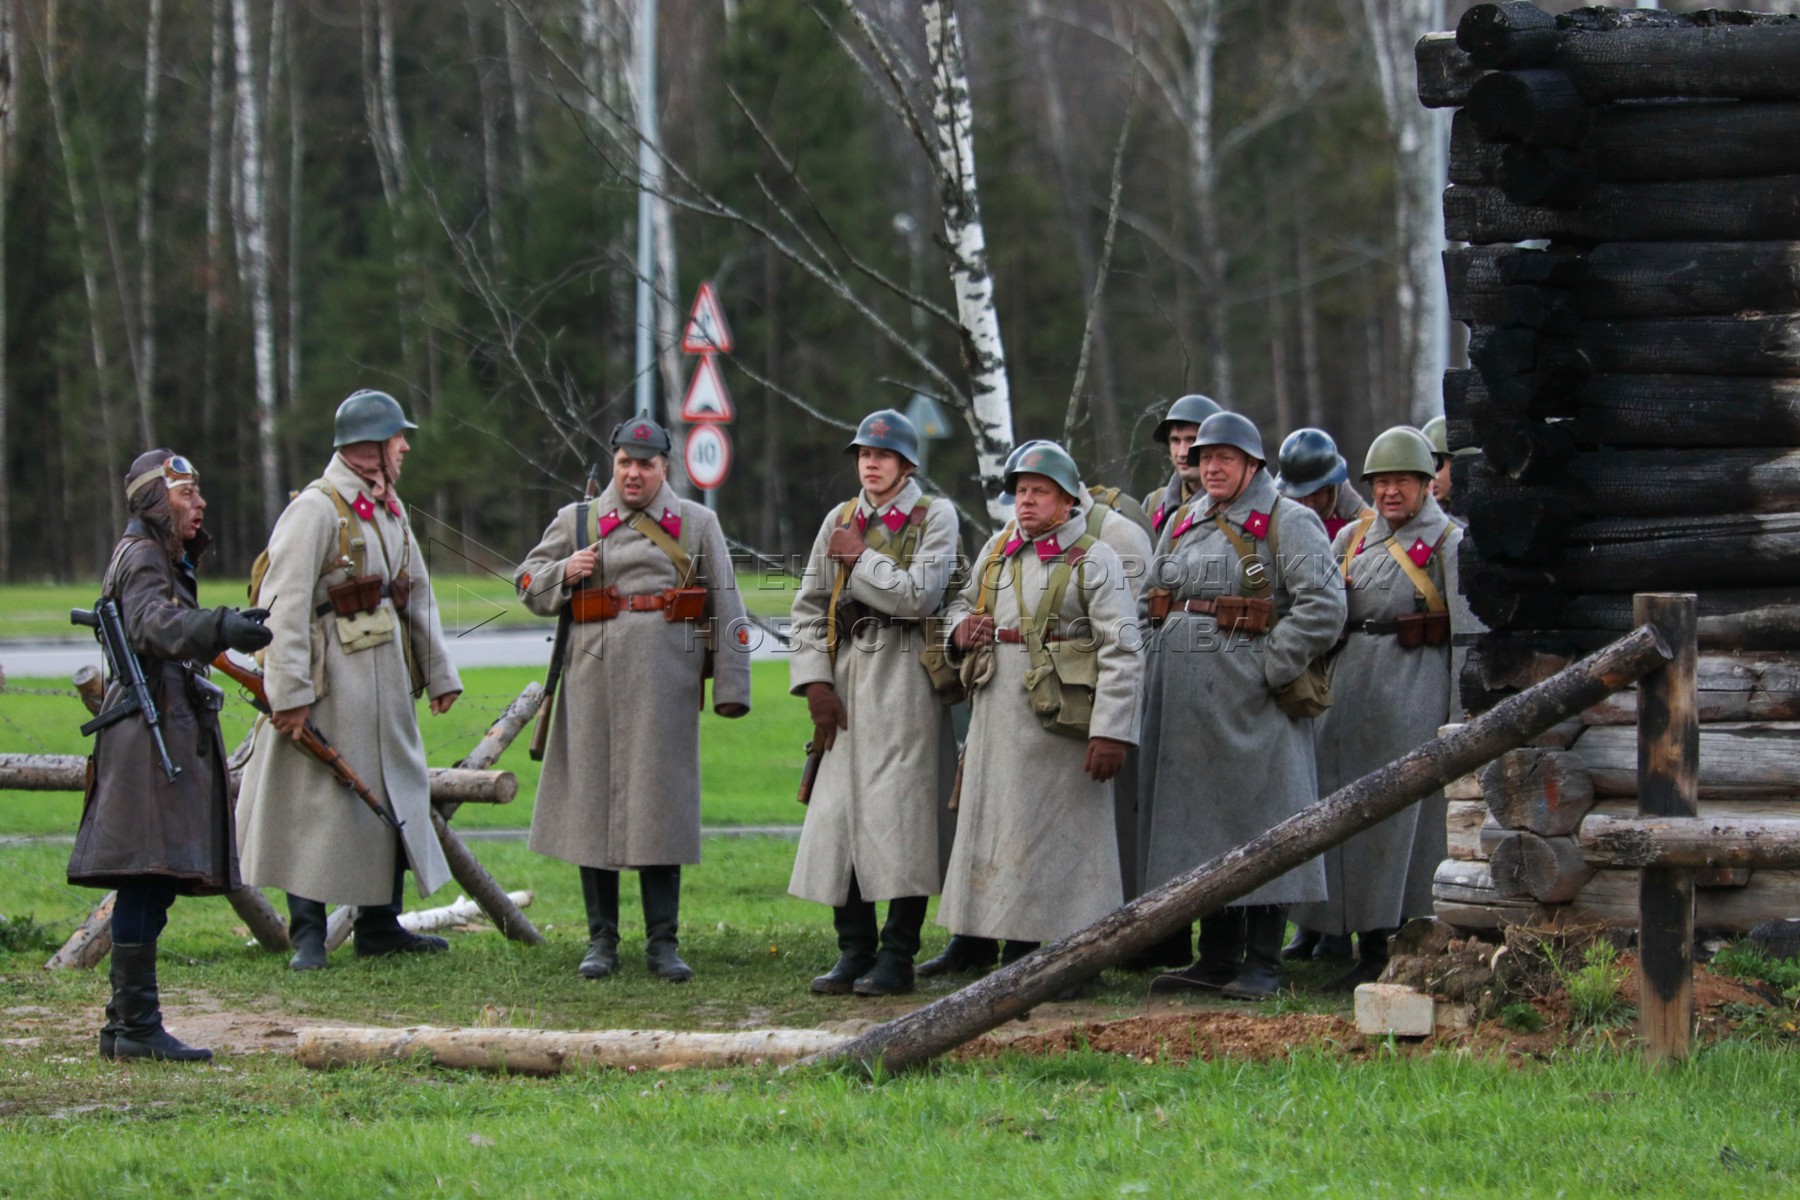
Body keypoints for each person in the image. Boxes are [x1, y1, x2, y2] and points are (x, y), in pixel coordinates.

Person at [515, 417, 752, 983]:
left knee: (659, 810)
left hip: (664, 686)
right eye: (625, 462)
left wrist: (732, 688)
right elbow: (525, 583)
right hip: (592, 684)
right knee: (592, 809)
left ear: (663, 468)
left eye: (645, 464)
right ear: (615, 463)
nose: (633, 473)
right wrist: (563, 573)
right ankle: (601, 942)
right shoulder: (577, 521)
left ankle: (662, 943)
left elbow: (728, 606)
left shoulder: (696, 524)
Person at [237, 390, 464, 970]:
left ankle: (380, 925)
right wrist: (287, 697)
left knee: (391, 794)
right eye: (396, 439)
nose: (405, 447)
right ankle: (308, 935)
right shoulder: (315, 509)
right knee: (314, 804)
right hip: (329, 684)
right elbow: (282, 607)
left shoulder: (389, 507)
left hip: (385, 680)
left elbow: (415, 593)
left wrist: (439, 673)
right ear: (370, 447)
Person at [920, 440, 1153, 980]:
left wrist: (1112, 732)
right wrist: (960, 628)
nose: (1026, 502)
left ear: (1068, 501)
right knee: (994, 833)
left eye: (1039, 492)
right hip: (997, 713)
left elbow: (1122, 649)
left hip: (1062, 723)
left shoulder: (1096, 559)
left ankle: (1073, 963)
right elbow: (960, 600)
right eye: (1021, 491)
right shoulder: (1000, 548)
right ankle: (988, 942)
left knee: (1066, 846)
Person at [68, 452, 272, 1060]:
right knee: (145, 878)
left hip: (157, 726)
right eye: (187, 492)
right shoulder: (143, 556)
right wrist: (220, 627)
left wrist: (224, 625)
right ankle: (135, 1029)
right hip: (145, 733)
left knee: (154, 882)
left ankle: (123, 1025)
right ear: (157, 499)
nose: (200, 502)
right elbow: (153, 626)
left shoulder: (160, 554)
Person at [1140, 412, 1346, 1000]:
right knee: (1205, 829)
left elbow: (1324, 607)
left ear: (1253, 464)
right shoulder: (1181, 521)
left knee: (1264, 824)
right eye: (1206, 457)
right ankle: (1215, 957)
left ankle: (1262, 964)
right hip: (1185, 706)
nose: (1213, 467)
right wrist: (1157, 655)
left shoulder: (1289, 521)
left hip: (1254, 706)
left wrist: (1268, 666)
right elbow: (1149, 595)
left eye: (1226, 457)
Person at [787, 410, 959, 997]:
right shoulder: (839, 518)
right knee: (838, 824)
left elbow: (918, 596)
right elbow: (808, 606)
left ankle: (897, 956)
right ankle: (853, 952)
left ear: (907, 464)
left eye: (882, 456)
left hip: (906, 681)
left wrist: (859, 558)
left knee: (905, 823)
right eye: (863, 454)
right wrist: (814, 683)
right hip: (845, 679)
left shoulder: (935, 516)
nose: (870, 463)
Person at [1291, 426, 1465, 989]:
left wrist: (1461, 718)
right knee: (1346, 819)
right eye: (1382, 482)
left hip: (1412, 691)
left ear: (1424, 484)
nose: (1391, 492)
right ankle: (1346, 935)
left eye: (1403, 482)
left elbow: (1467, 636)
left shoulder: (1448, 544)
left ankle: (1391, 945)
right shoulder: (1351, 540)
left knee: (1400, 828)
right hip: (1348, 695)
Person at [1270, 426, 1370, 963]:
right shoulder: (1286, 524)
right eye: (1298, 492)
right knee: (1311, 804)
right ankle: (1313, 924)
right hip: (1310, 677)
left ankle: (1343, 930)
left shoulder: (1364, 530)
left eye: (1315, 492)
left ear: (1334, 487)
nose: (1306, 501)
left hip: (1359, 677)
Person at [1140, 394, 1224, 540]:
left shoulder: (1232, 505)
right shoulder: (1154, 504)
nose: (1182, 453)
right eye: (1175, 441)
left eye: (1192, 440)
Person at [1274, 428, 1372, 542]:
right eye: (1298, 496)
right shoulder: (1271, 524)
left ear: (1331, 489)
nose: (1307, 504)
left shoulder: (1362, 524)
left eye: (1315, 493)